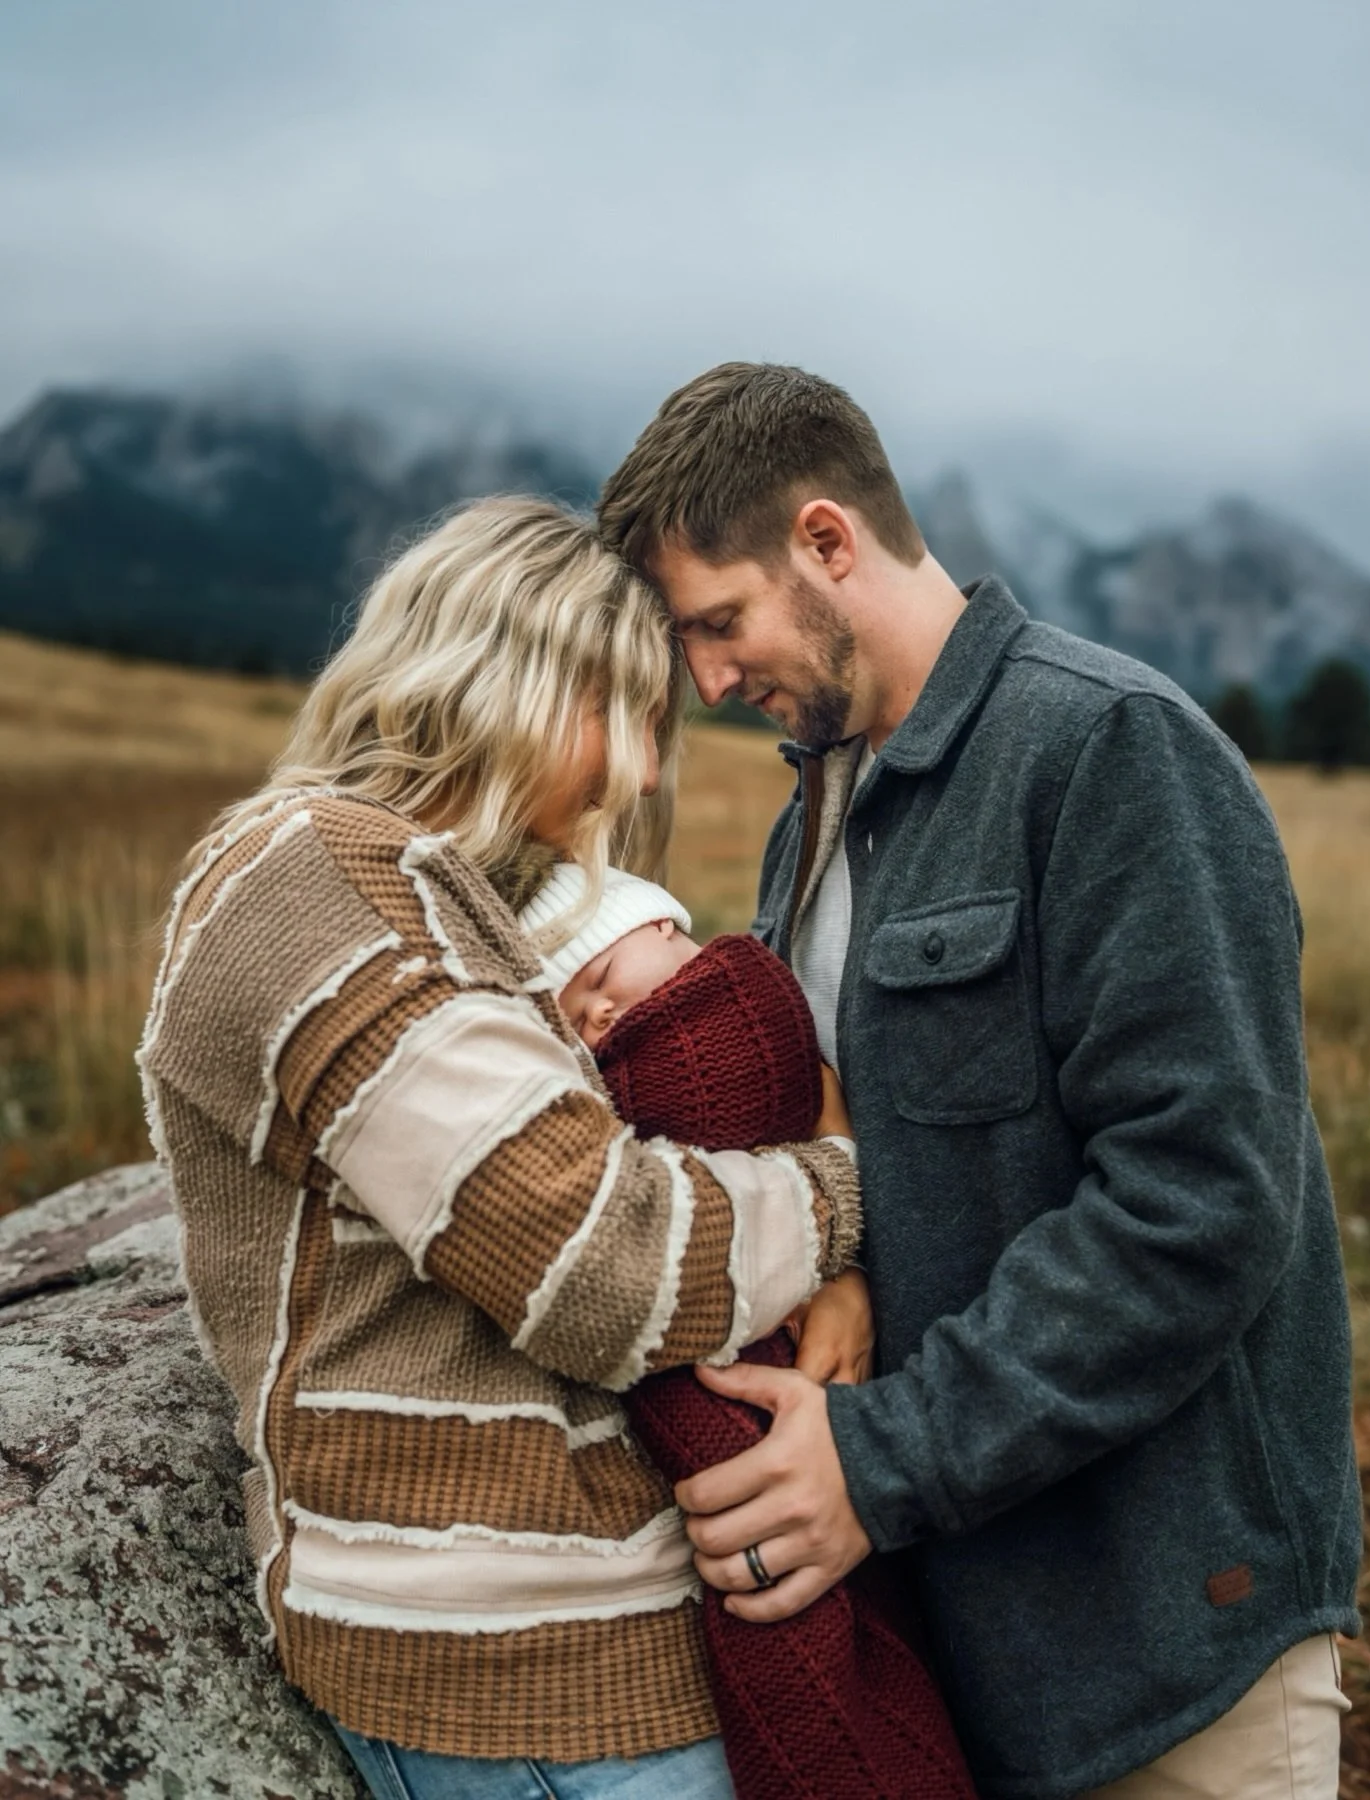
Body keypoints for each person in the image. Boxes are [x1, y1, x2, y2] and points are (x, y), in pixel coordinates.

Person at [596, 363, 1363, 1800]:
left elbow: (1202, 1205)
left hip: (1161, 1649)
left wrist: (880, 1460)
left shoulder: (1107, 751)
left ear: (829, 543)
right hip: (969, 1635)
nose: (705, 682)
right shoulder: (811, 823)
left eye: (720, 623)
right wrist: (837, 1264)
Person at [137, 495, 866, 1800]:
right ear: (522, 679)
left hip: (556, 1627)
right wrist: (855, 1187)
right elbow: (607, 1270)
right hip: (516, 1660)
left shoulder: (413, 889)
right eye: (633, 718)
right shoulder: (325, 881)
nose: (645, 776)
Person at [518, 860, 977, 1800]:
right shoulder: (798, 837)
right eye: (575, 1017)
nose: (602, 1022)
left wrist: (839, 1262)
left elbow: (784, 1079)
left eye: (602, 983)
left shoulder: (733, 994)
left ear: (669, 939)